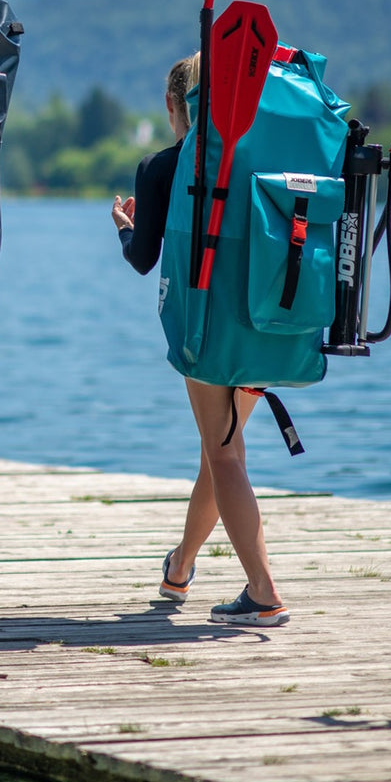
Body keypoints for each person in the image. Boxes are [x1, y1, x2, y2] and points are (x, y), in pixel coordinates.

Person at [111, 54, 289, 627]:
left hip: (206, 327)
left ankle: (262, 592)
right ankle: (180, 566)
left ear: (174, 108)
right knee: (221, 452)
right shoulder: (261, 160)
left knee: (224, 454)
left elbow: (143, 261)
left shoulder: (162, 167)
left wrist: (125, 229)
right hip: (267, 319)